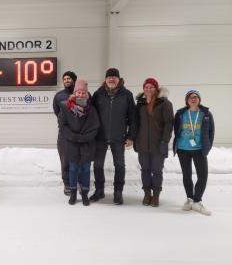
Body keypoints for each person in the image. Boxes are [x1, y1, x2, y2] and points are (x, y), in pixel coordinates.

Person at [90, 68, 136, 205]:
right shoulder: (98, 94)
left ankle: (118, 192)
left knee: (120, 165)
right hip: (100, 136)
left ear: (119, 79)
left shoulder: (127, 94)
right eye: (109, 77)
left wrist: (130, 136)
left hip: (118, 136)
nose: (111, 79)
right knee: (97, 165)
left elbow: (133, 118)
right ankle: (99, 190)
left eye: (114, 77)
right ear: (105, 79)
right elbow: (92, 115)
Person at [173, 90, 215, 216]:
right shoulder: (180, 113)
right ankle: (189, 199)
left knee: (203, 175)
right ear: (187, 100)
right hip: (183, 149)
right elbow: (176, 130)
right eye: (191, 97)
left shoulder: (206, 114)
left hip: (199, 149)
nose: (193, 99)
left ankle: (197, 201)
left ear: (199, 99)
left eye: (196, 97)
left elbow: (211, 132)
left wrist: (207, 146)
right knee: (187, 175)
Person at [134, 78, 174, 207]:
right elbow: (136, 123)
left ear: (156, 89)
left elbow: (169, 124)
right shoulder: (140, 103)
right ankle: (147, 193)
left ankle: (156, 195)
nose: (148, 89)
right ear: (143, 89)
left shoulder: (164, 103)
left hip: (158, 144)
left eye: (151, 87)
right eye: (146, 87)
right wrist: (135, 140)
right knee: (145, 169)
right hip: (143, 144)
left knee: (157, 170)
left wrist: (165, 141)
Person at [59, 80, 100, 206]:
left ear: (86, 94)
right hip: (72, 144)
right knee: (73, 169)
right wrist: (75, 137)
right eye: (78, 92)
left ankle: (85, 193)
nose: (81, 94)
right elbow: (63, 125)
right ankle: (73, 193)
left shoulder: (92, 109)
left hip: (87, 145)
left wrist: (84, 138)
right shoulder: (65, 107)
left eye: (83, 92)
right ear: (74, 93)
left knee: (86, 170)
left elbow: (95, 127)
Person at [53, 71, 77, 195]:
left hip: (79, 133)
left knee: (79, 158)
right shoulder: (58, 96)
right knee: (65, 159)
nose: (67, 80)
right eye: (65, 79)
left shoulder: (83, 93)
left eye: (69, 78)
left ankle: (77, 181)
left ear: (74, 80)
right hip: (64, 134)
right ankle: (67, 183)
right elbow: (57, 112)